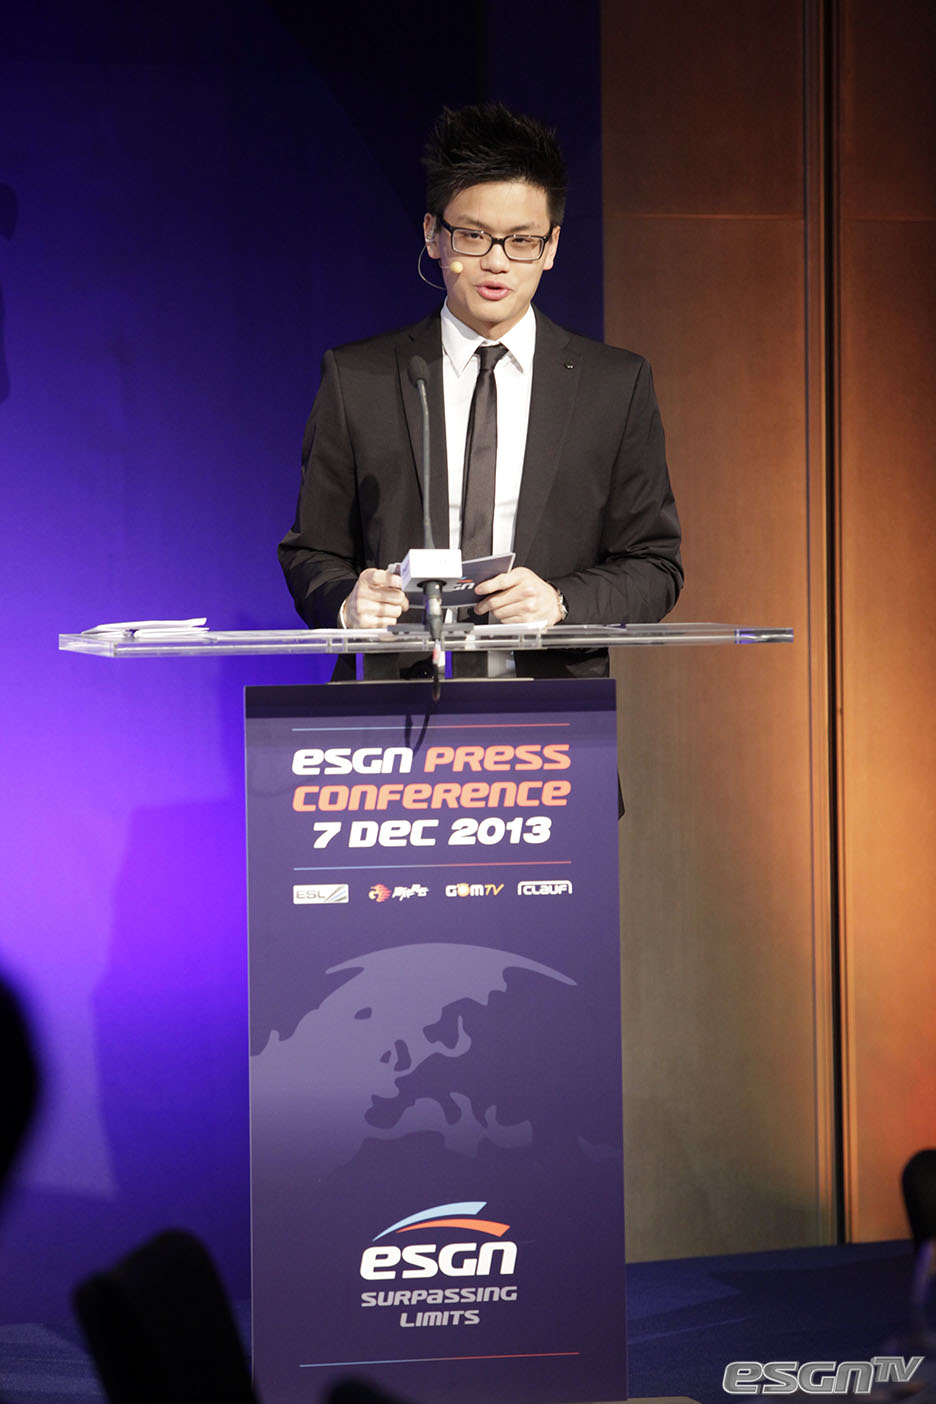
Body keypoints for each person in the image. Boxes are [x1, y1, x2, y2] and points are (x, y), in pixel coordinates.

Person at [278, 103, 682, 679]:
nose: (497, 262)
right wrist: (347, 602)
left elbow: (655, 565)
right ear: (433, 235)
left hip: (554, 714)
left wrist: (561, 602)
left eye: (522, 241)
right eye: (473, 236)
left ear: (551, 247)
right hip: (396, 712)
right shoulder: (359, 377)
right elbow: (311, 552)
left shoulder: (614, 386)